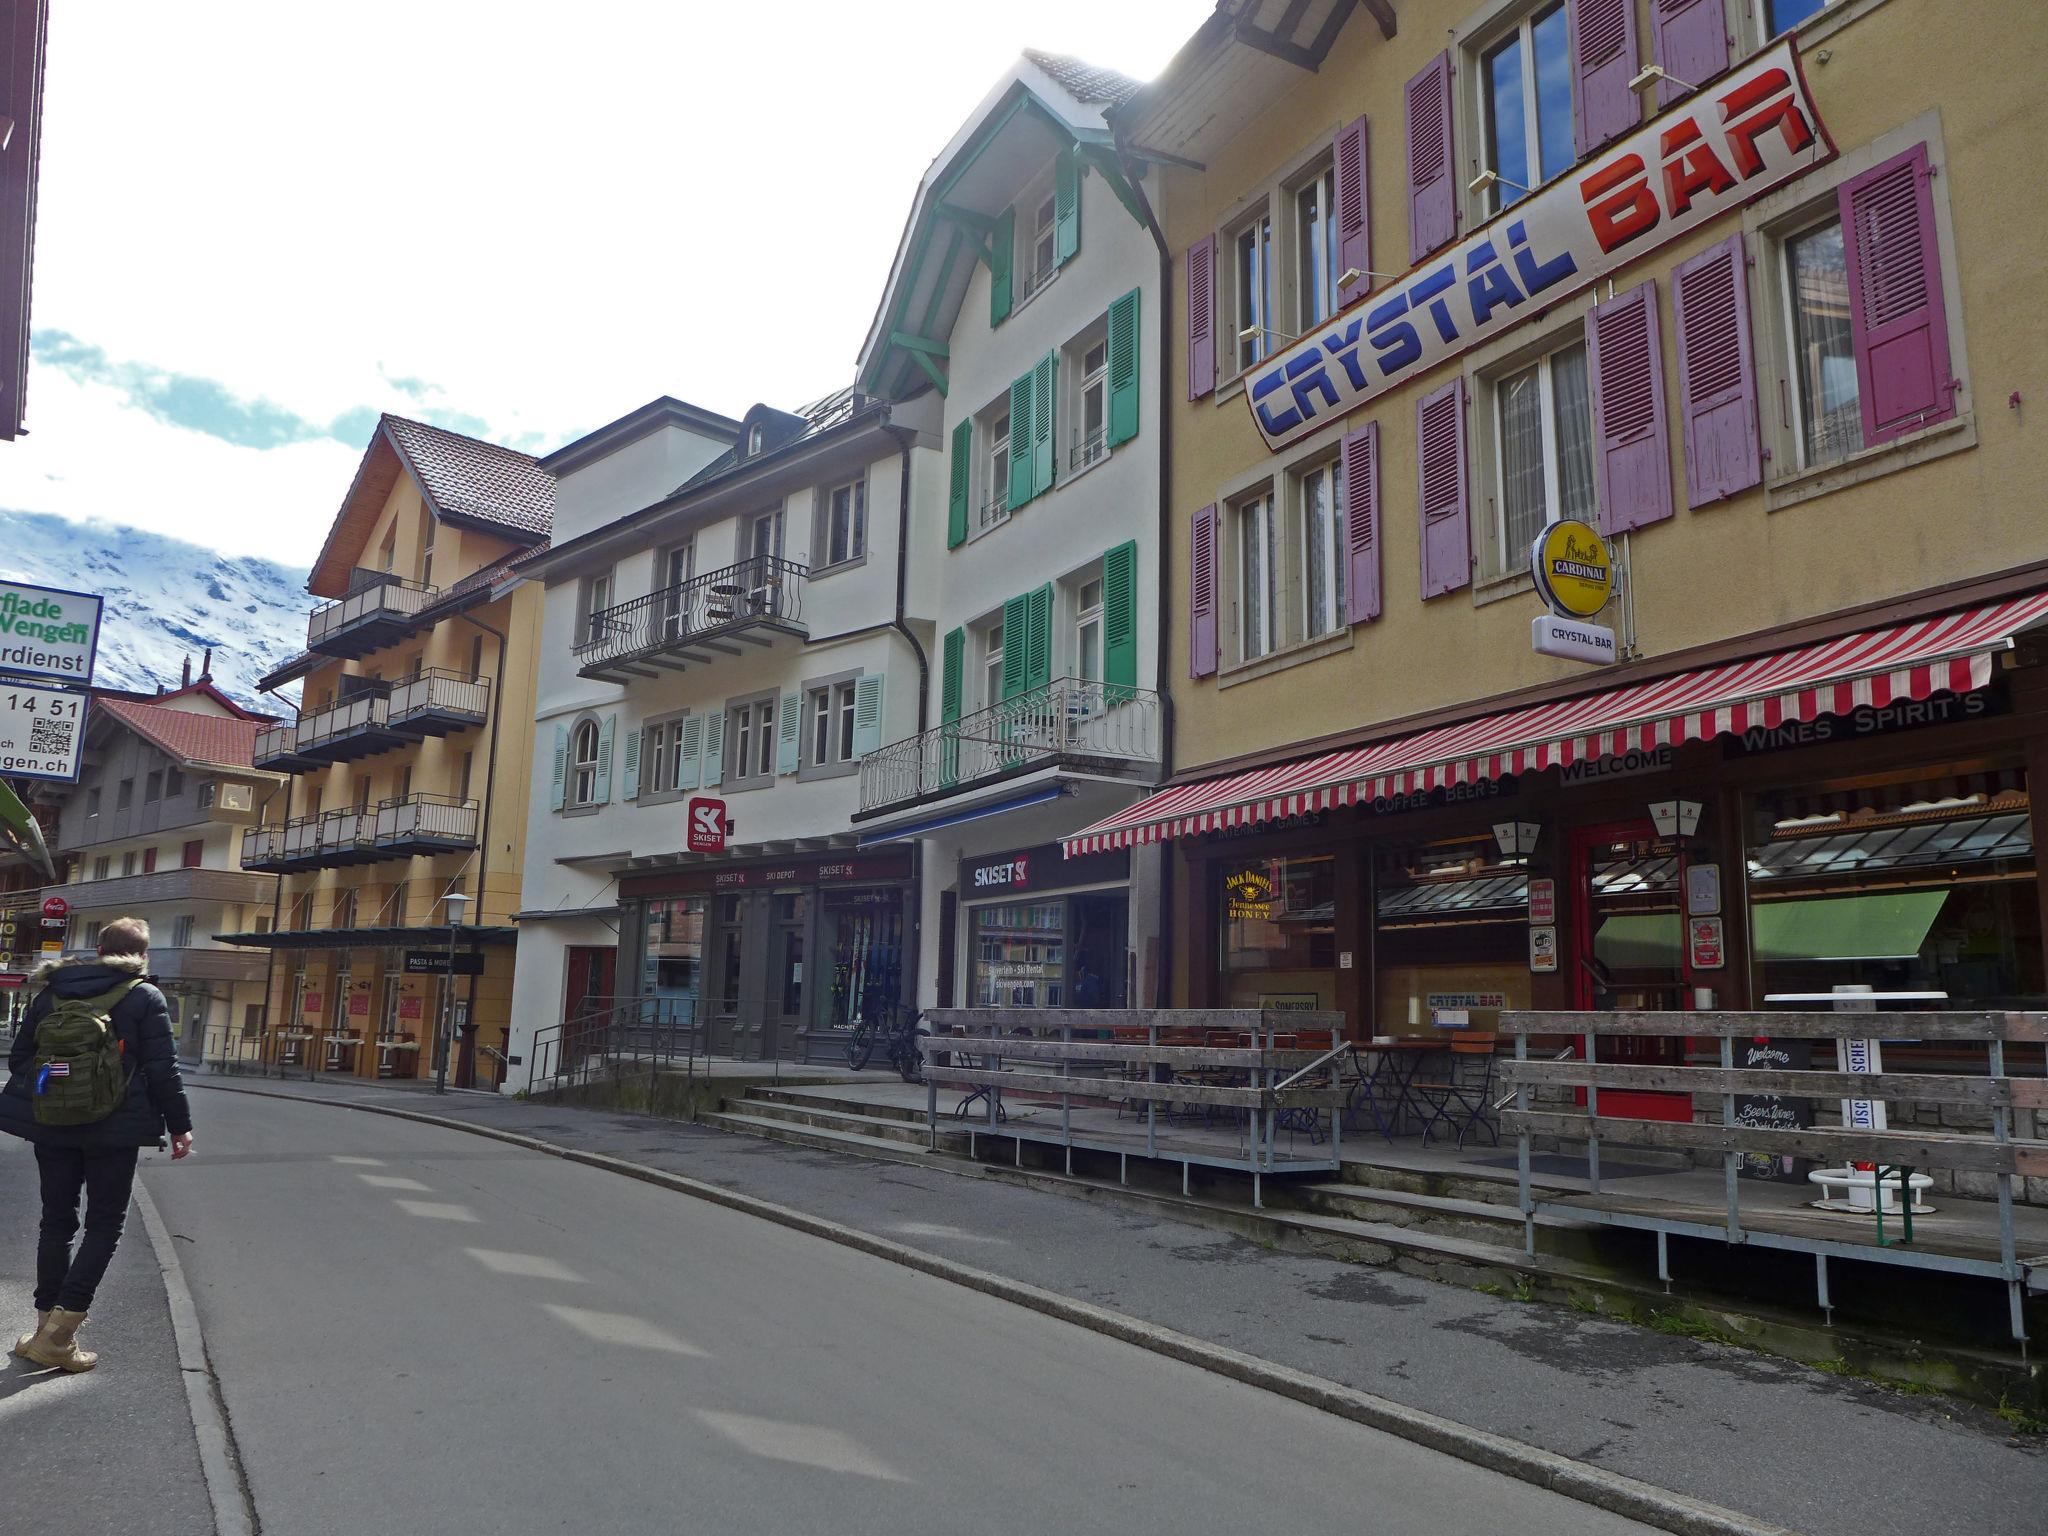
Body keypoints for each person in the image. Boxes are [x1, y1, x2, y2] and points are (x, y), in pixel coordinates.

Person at [1, 917, 193, 1372]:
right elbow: (164, 1069)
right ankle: (61, 1335)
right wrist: (180, 1125)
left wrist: (59, 1086)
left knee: (56, 1221)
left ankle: (45, 1326)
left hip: (53, 1125)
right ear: (142, 955)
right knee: (104, 1225)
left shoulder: (52, 992)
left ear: (99, 948)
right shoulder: (145, 996)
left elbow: (24, 1060)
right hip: (115, 1130)